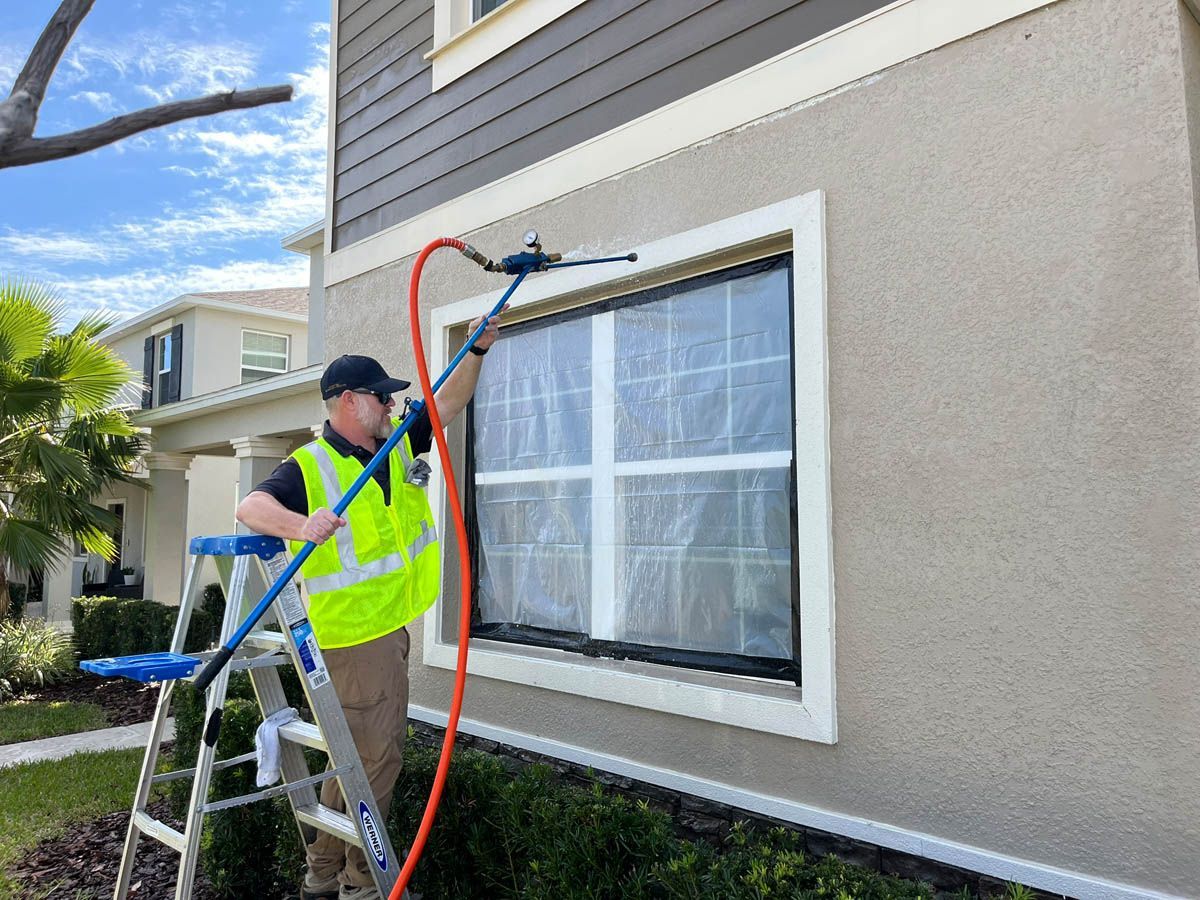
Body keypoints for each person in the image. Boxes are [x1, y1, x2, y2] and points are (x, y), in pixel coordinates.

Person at [235, 310, 502, 900]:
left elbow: (446, 405)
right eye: (380, 397)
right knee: (379, 758)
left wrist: (476, 350)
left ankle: (323, 875)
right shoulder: (310, 466)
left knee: (354, 757)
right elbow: (251, 509)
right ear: (349, 401)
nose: (389, 405)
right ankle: (362, 880)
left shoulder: (393, 447)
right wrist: (302, 524)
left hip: (388, 628)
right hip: (354, 637)